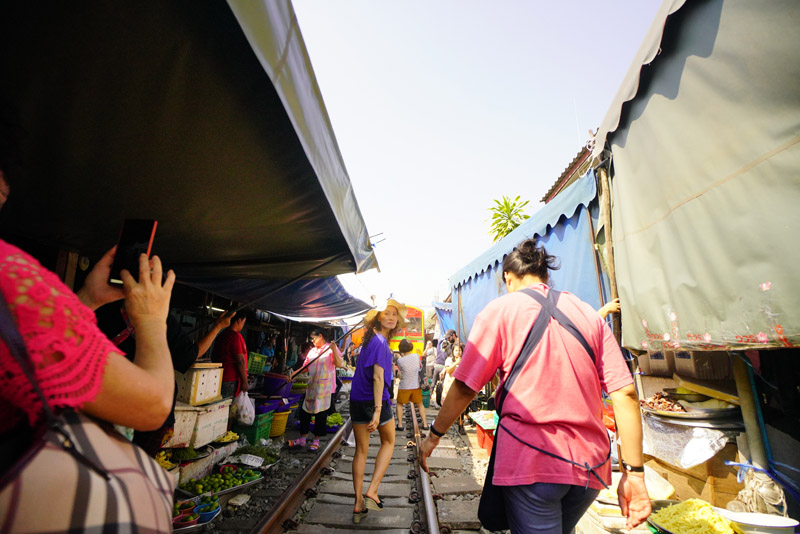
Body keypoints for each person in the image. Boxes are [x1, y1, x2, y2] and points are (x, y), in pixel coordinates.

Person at [419, 239, 651, 533]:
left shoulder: (500, 310)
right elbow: (625, 393)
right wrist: (635, 474)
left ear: (508, 277)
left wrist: (434, 437)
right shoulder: (587, 314)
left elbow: (466, 388)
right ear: (545, 274)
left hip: (532, 461)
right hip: (590, 466)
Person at [94, 300, 233, 452]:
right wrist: (218, 327)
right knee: (138, 462)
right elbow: (188, 356)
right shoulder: (159, 319)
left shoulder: (103, 310)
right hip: (147, 406)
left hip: (104, 400)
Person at [349, 298, 408, 524]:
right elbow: (377, 377)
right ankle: (372, 490)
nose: (391, 317)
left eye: (394, 314)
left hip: (356, 399)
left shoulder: (370, 341)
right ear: (378, 318)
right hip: (374, 401)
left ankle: (358, 503)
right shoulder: (381, 343)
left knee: (361, 452)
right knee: (389, 442)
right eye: (387, 314)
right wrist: (377, 410)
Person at [287, 329, 344, 451]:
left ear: (321, 336)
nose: (312, 341)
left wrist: (334, 349)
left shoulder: (330, 349)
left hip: (324, 387)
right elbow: (305, 367)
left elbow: (339, 364)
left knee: (320, 414)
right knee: (305, 412)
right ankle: (302, 439)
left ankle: (316, 440)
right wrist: (293, 374)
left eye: (314, 338)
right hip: (311, 386)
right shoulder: (313, 351)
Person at [212, 310, 249, 398]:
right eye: (244, 322)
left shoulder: (222, 334)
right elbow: (240, 360)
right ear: (239, 320)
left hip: (219, 377)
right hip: (230, 379)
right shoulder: (235, 337)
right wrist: (244, 382)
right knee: (228, 405)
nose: (243, 325)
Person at [395, 339, 428, 431]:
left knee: (400, 404)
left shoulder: (400, 361)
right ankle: (425, 424)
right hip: (416, 385)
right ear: (411, 347)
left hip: (404, 386)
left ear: (400, 349)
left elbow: (400, 372)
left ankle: (400, 425)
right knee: (420, 404)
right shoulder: (416, 356)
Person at [440, 342, 466, 434]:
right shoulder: (449, 360)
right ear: (453, 351)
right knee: (448, 406)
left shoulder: (465, 360)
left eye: (459, 350)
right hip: (450, 385)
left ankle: (461, 425)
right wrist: (456, 363)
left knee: (461, 407)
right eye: (456, 350)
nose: (458, 352)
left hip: (461, 386)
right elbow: (448, 370)